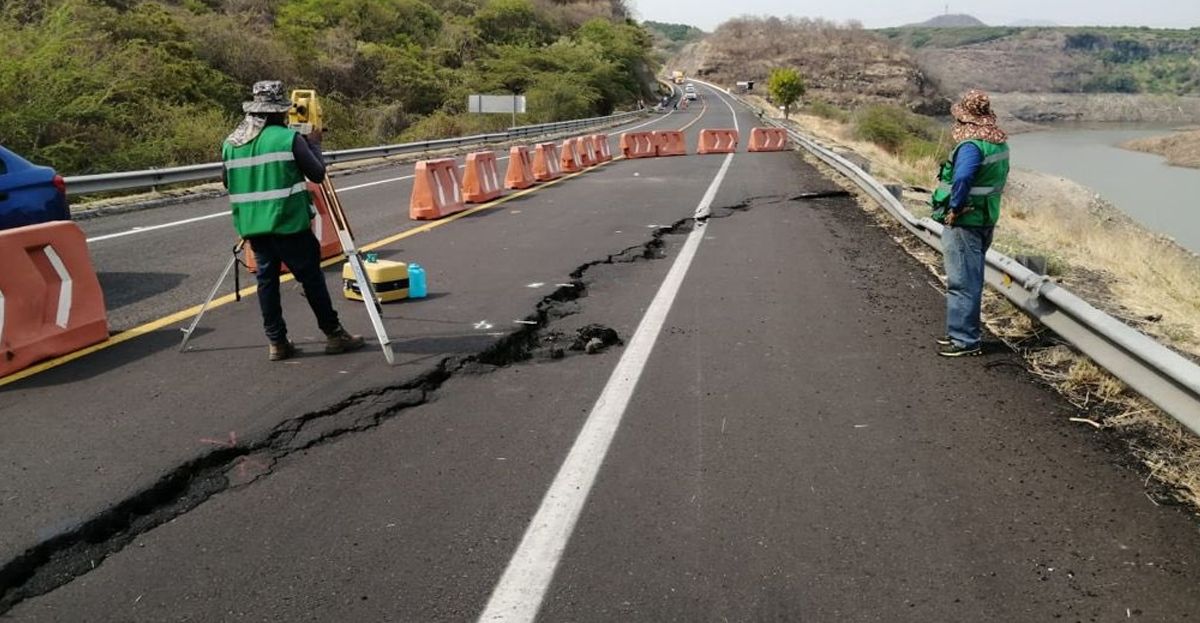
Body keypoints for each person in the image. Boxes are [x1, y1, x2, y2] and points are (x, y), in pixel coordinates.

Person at [221, 80, 364, 361]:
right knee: (311, 279)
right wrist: (315, 144)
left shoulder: (231, 144)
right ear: (277, 112)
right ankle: (334, 334)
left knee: (267, 281)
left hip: (254, 228)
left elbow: (228, 182)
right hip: (289, 225)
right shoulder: (288, 139)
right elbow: (317, 174)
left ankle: (277, 342)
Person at [929, 89, 1010, 358]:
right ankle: (960, 332)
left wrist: (954, 207)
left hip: (965, 220)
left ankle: (964, 340)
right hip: (985, 217)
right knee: (970, 278)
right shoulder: (998, 142)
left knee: (962, 281)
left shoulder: (971, 146)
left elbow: (962, 178)